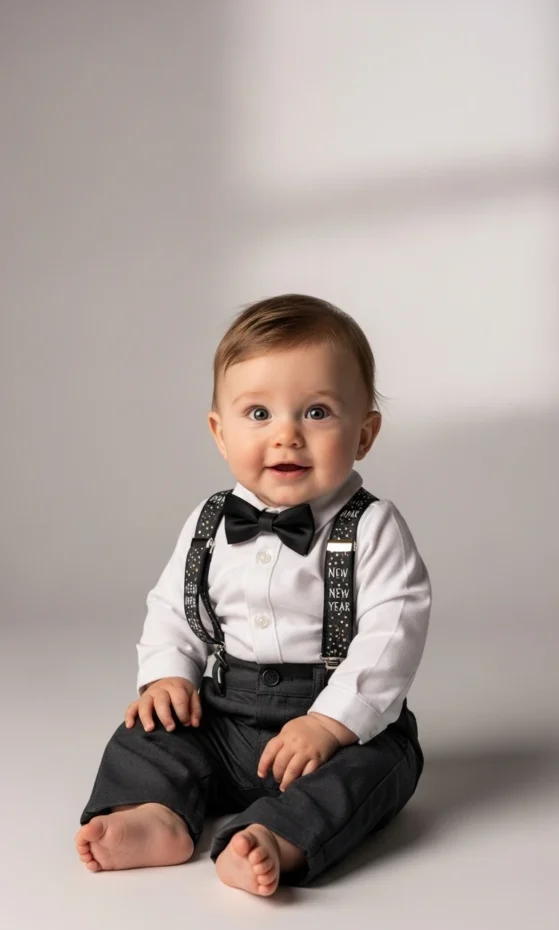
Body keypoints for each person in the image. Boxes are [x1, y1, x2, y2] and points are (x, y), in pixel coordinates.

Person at [75, 293, 432, 896]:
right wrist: (167, 676)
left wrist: (330, 723)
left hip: (332, 717)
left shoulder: (372, 526)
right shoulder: (210, 520)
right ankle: (156, 815)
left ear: (364, 432)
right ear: (220, 432)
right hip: (224, 710)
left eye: (316, 412)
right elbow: (173, 607)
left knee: (378, 769)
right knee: (150, 732)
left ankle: (276, 837)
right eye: (259, 414)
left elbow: (391, 634)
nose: (287, 436)